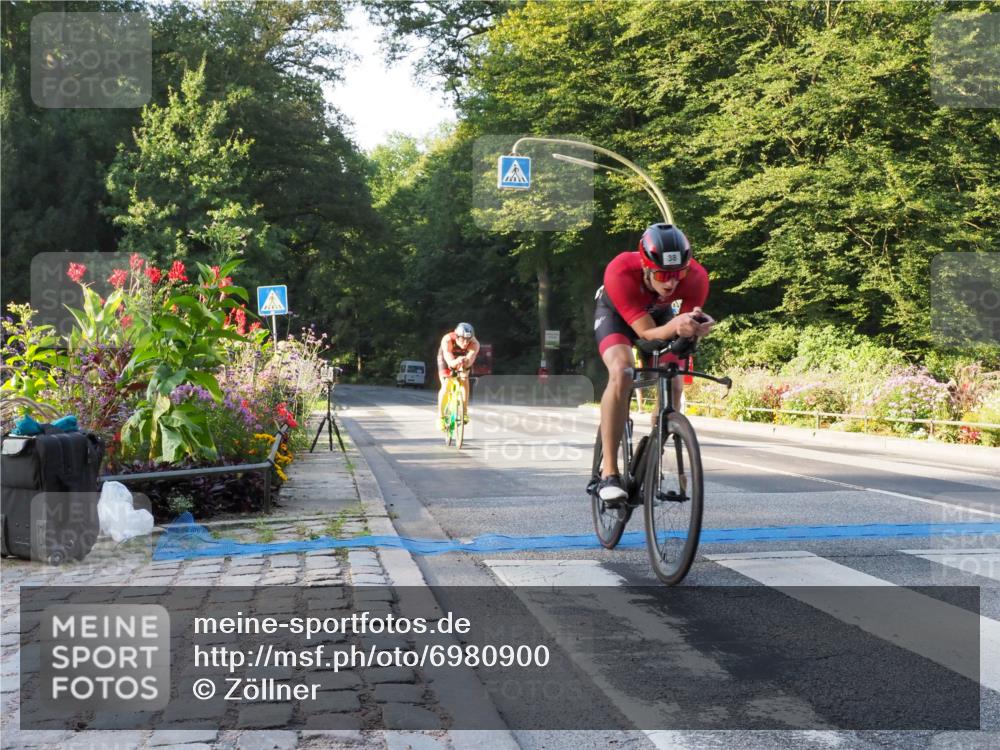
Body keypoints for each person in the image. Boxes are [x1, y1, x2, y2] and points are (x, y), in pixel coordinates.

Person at [593, 223, 714, 503]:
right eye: (662, 274)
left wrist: (697, 328)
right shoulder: (621, 270)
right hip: (617, 317)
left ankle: (652, 458)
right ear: (646, 267)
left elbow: (684, 324)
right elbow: (646, 334)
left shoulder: (696, 276)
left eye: (678, 274)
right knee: (622, 370)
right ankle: (609, 473)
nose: (671, 283)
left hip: (661, 316)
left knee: (673, 379)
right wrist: (677, 326)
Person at [437, 322, 480, 430]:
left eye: (468, 339)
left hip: (463, 359)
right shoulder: (447, 340)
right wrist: (455, 362)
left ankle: (464, 411)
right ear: (457, 336)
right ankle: (441, 417)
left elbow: (469, 362)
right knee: (446, 384)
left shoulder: (475, 344)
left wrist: (464, 363)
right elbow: (450, 362)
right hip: (447, 357)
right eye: (462, 339)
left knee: (464, 378)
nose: (465, 343)